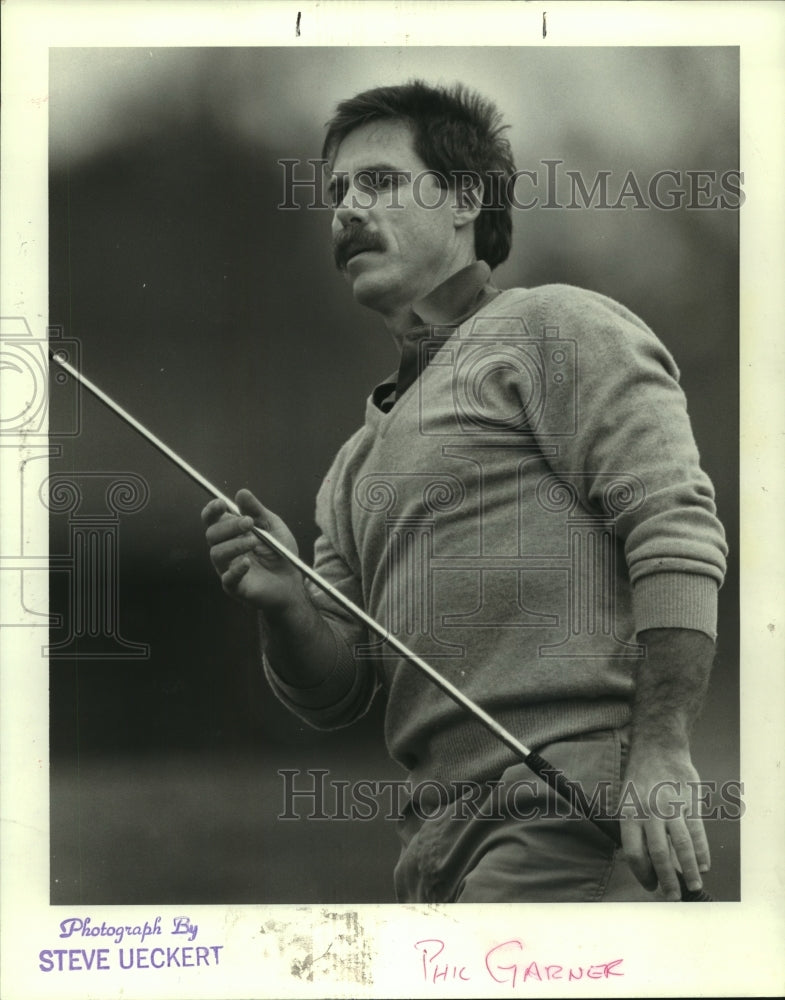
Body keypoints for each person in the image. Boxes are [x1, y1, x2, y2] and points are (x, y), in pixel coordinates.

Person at [202, 81, 727, 903]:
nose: (344, 210)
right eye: (336, 191)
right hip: (431, 850)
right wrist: (286, 604)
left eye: (378, 181)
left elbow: (675, 530)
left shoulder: (557, 326)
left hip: (571, 810)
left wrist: (662, 751)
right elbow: (338, 691)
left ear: (463, 198)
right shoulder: (353, 462)